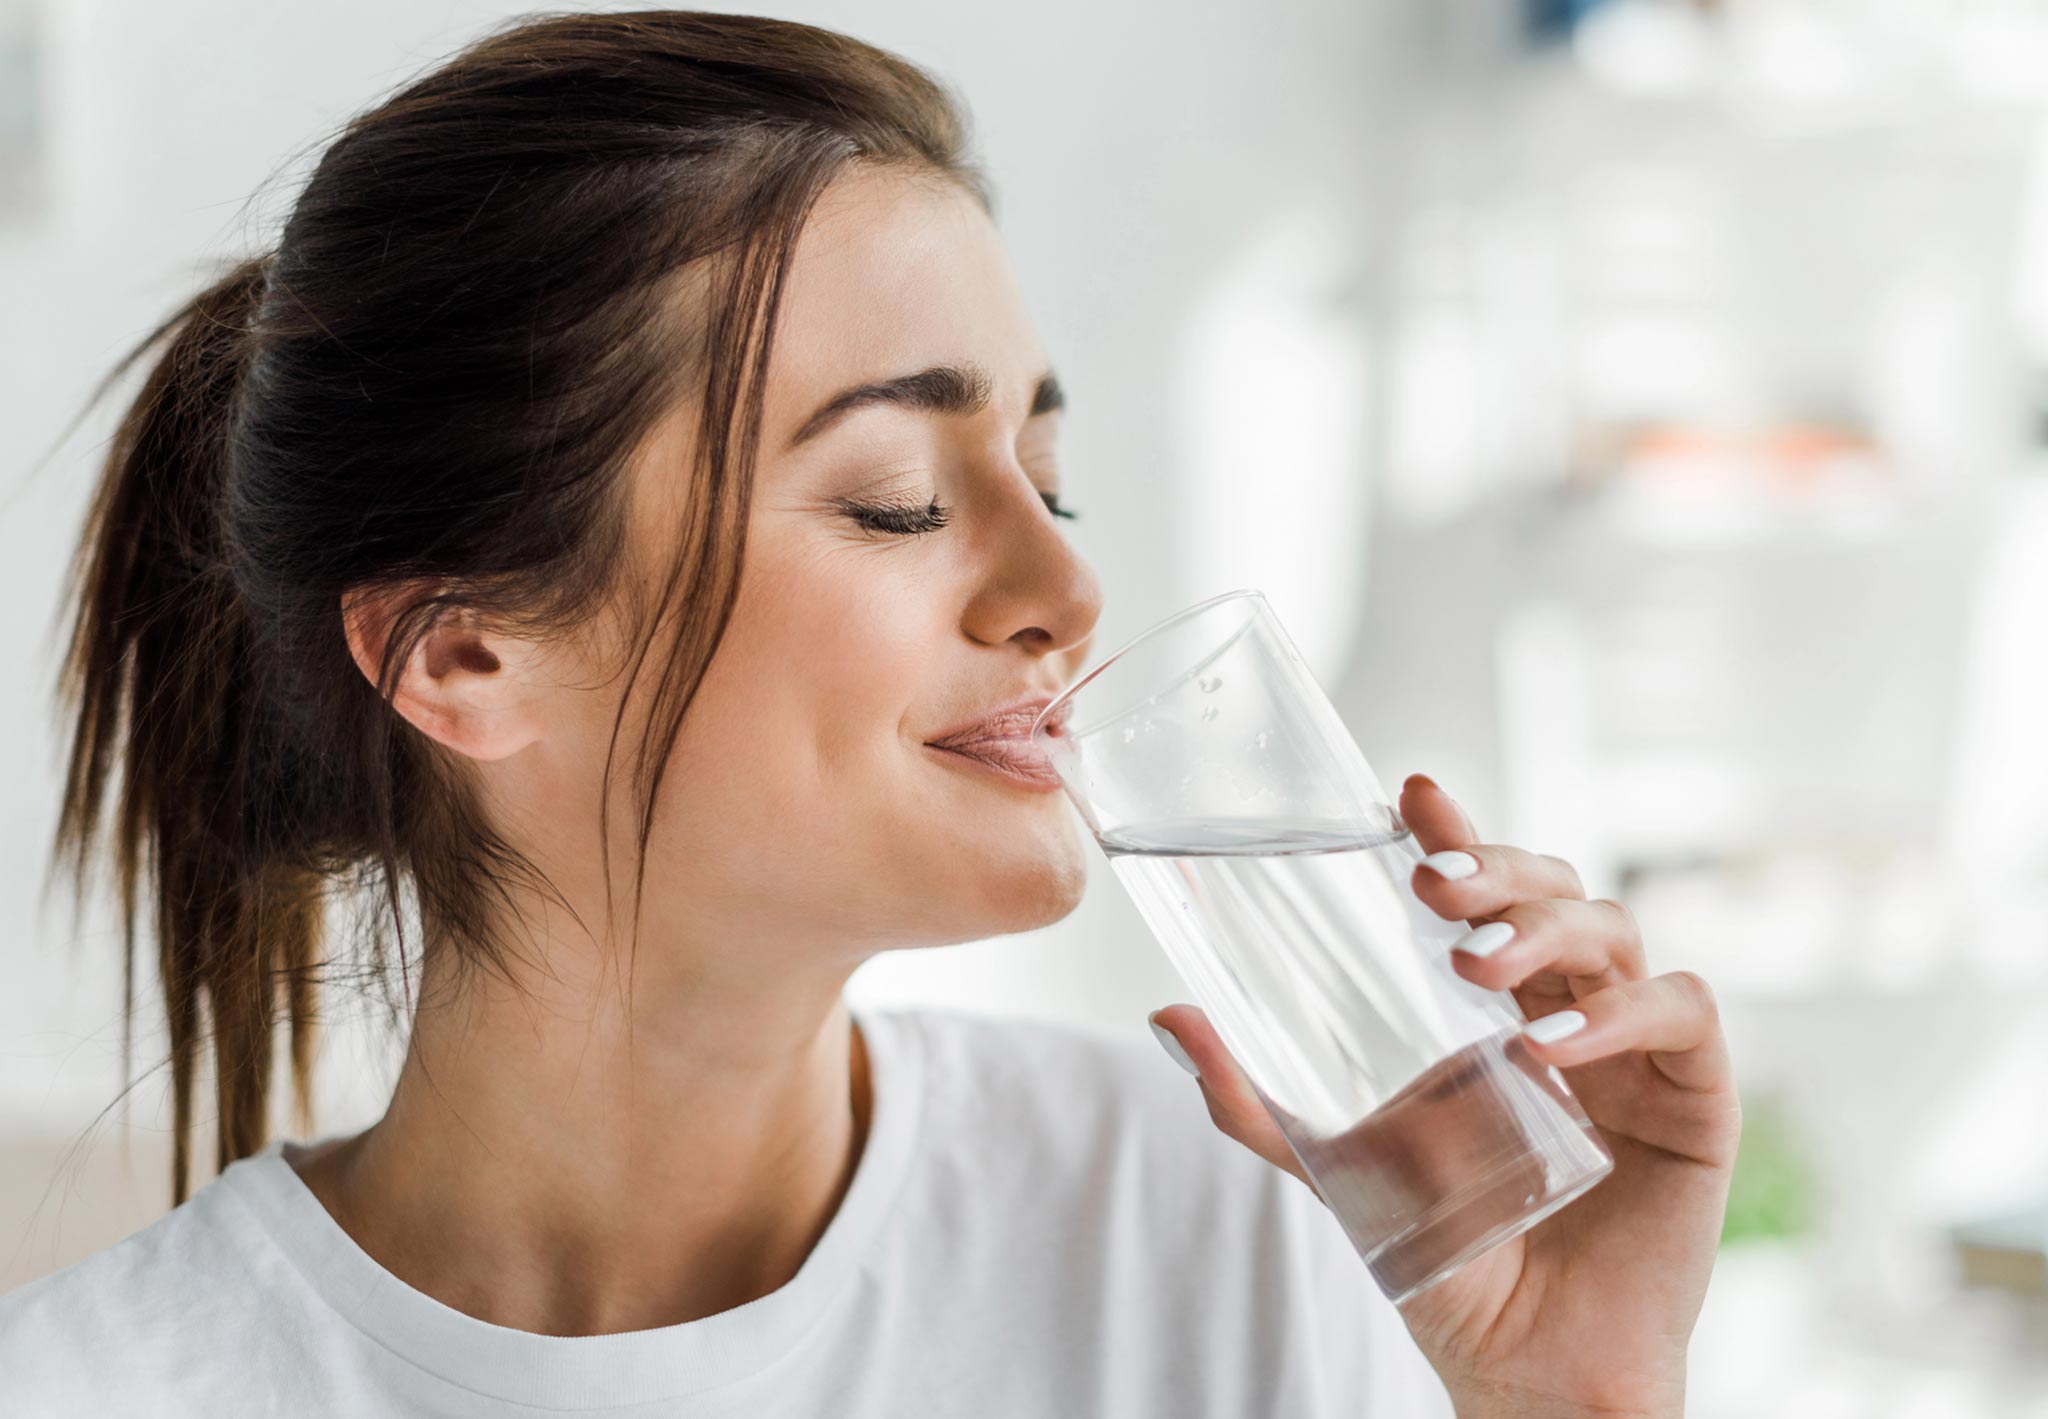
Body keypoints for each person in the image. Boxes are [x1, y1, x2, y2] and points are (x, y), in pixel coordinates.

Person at [0, 10, 1738, 1416]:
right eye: (902, 498)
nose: (1063, 589)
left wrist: (1569, 1401)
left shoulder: (1238, 1218)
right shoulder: (104, 1387)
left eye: (1047, 480)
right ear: (465, 655)